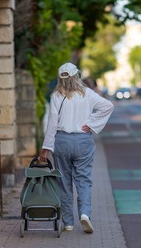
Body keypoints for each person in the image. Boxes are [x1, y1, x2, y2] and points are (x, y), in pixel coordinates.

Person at [38, 62, 114, 234]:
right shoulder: (87, 94)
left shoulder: (56, 95)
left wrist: (46, 148)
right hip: (83, 142)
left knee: (64, 182)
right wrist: (92, 123)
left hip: (62, 142)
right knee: (84, 180)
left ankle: (68, 223)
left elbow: (52, 124)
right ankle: (85, 214)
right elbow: (108, 106)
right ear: (77, 76)